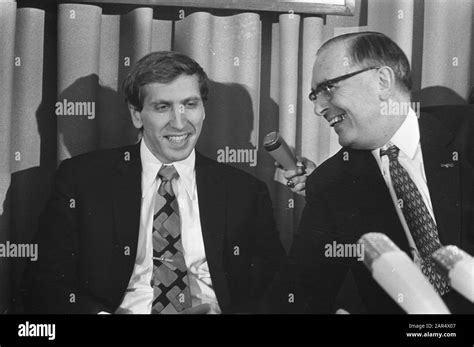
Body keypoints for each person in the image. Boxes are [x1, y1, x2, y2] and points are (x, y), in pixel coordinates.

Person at [24, 51, 285, 314]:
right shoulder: (80, 180)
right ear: (136, 115)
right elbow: (46, 281)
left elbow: (275, 289)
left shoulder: (246, 192)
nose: (180, 122)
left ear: (203, 110)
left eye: (190, 104)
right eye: (162, 107)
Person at [272, 31, 474, 314]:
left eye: (328, 88)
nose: (318, 108)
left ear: (382, 81)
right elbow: (301, 290)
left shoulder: (468, 134)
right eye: (314, 95)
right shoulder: (331, 182)